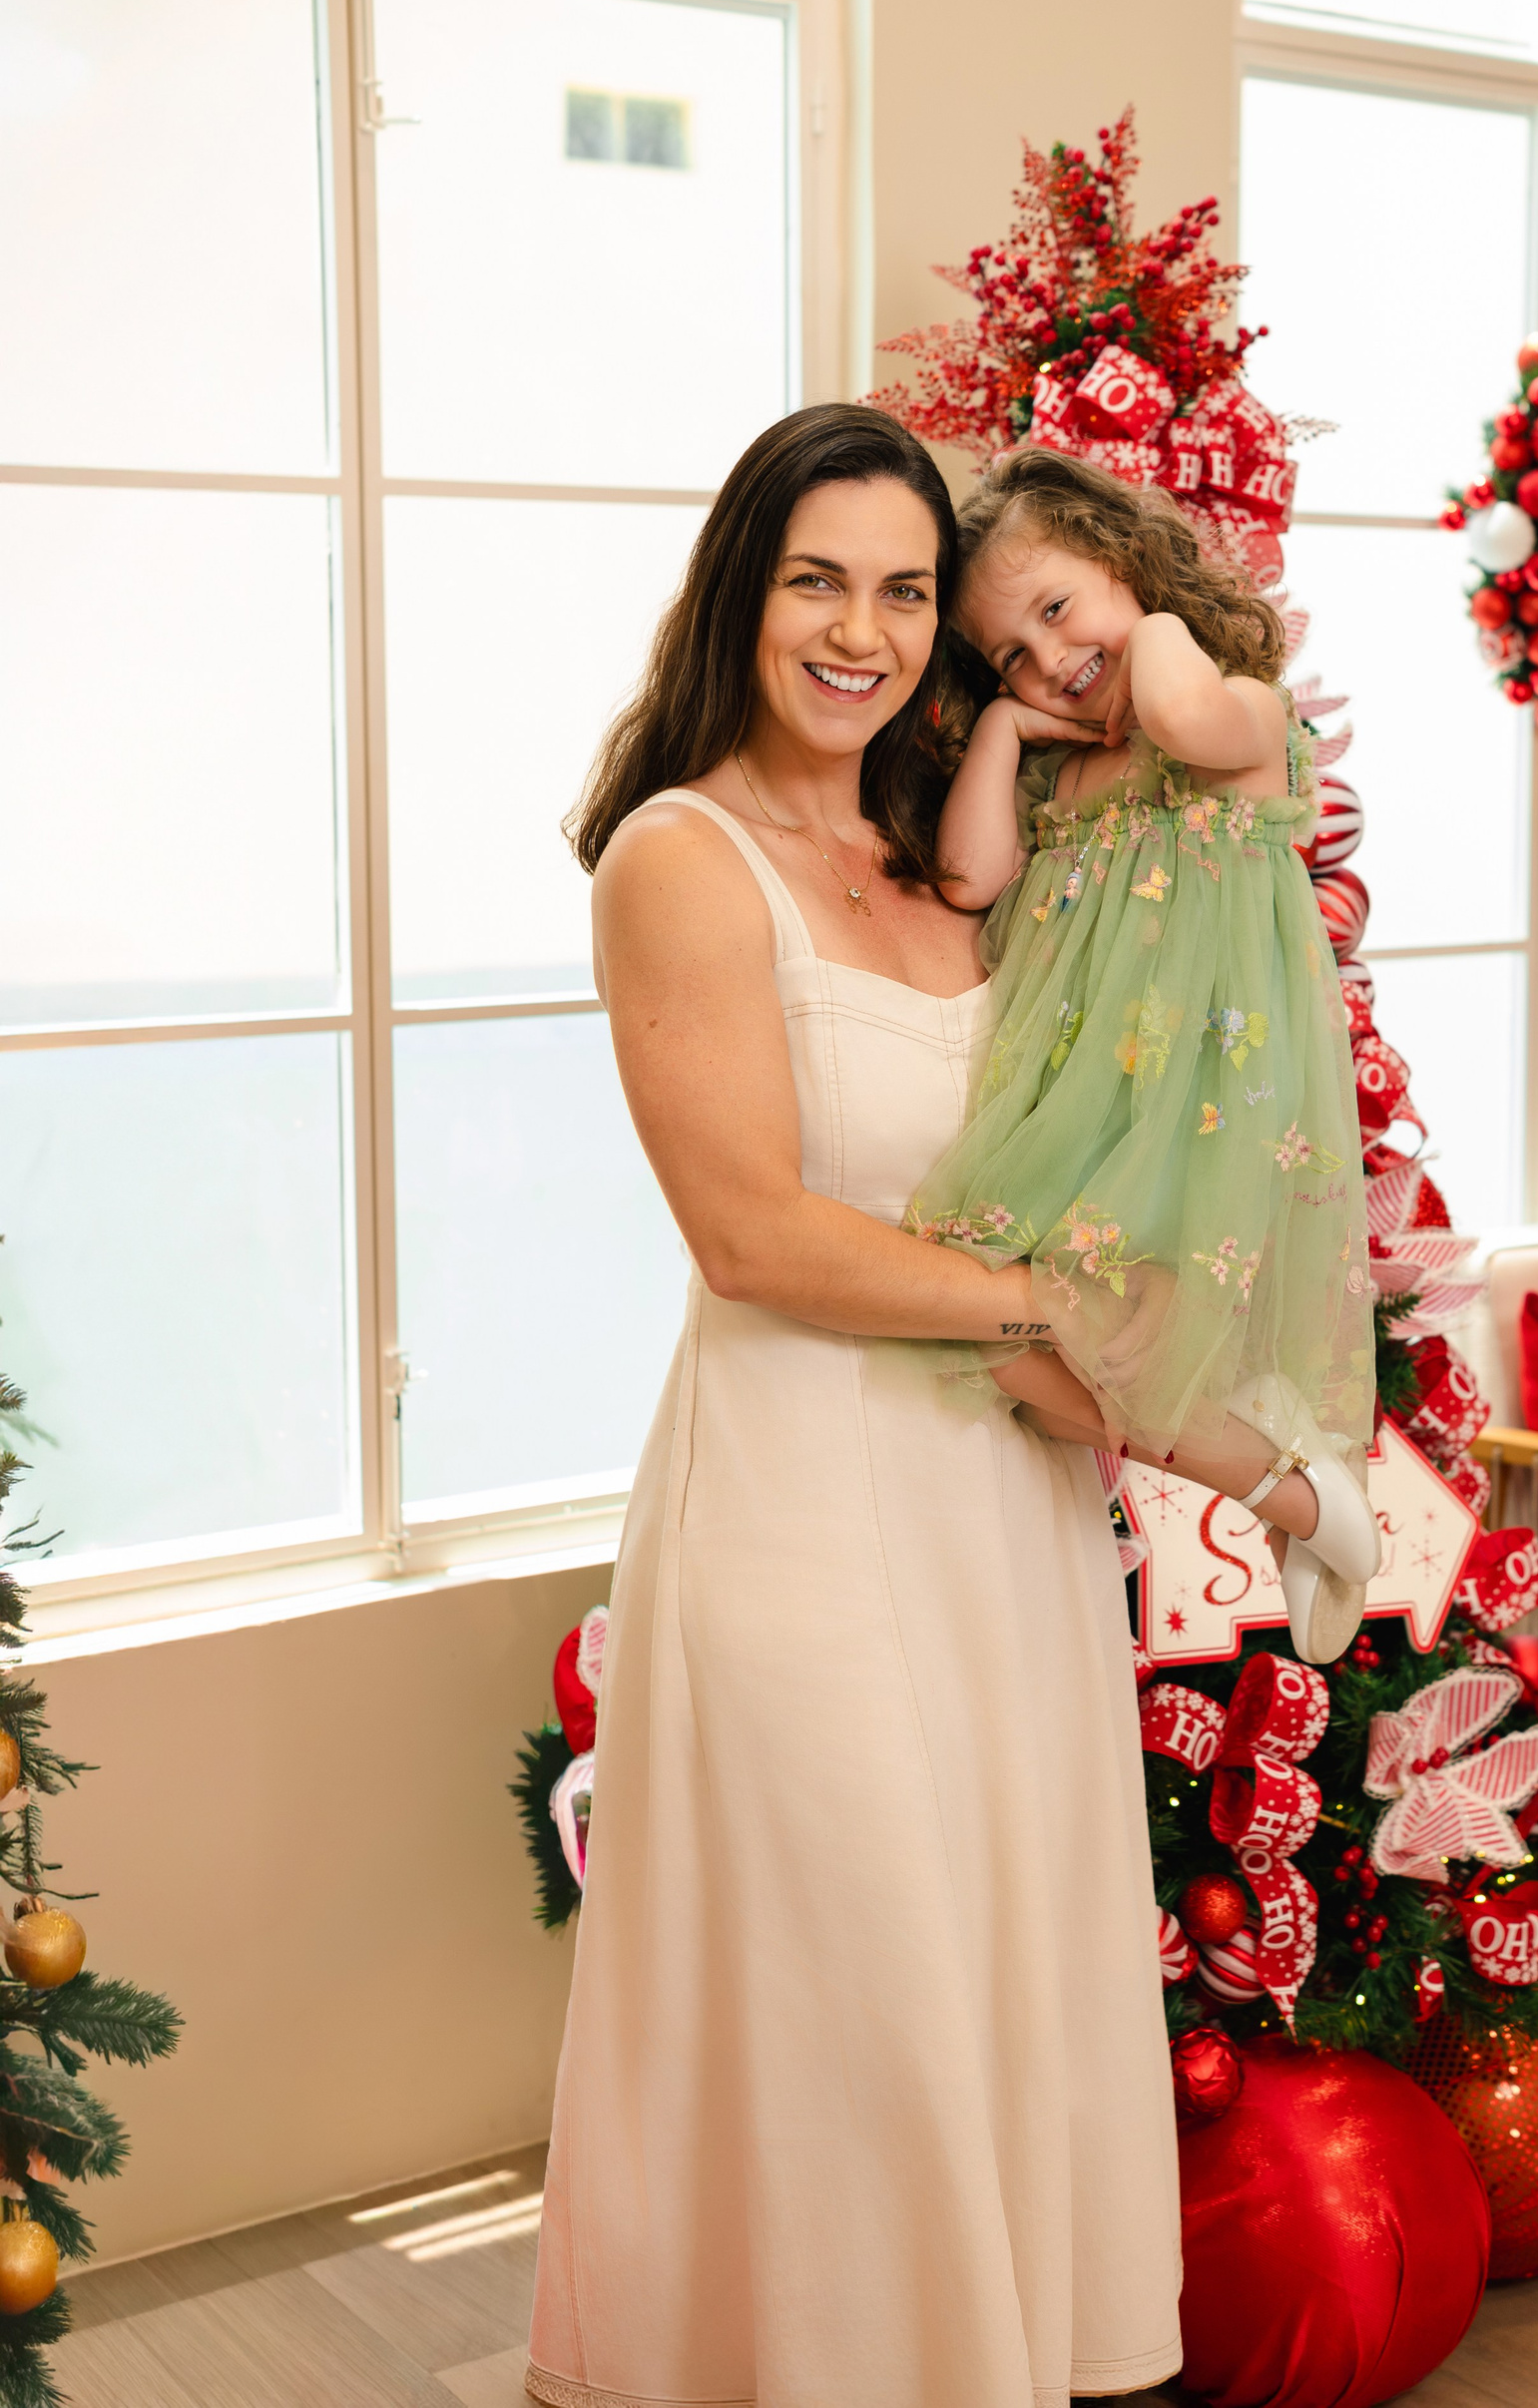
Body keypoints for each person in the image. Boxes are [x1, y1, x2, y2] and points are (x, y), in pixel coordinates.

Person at [525, 406, 1319, 2408]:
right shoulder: (681, 856)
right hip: (803, 1496)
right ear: (743, 592)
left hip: (1003, 1508)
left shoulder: (943, 844)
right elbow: (752, 1236)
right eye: (817, 580)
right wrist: (1052, 1311)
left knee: (991, 1974)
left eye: (899, 590)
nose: (860, 631)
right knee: (850, 2004)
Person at [902, 445, 1379, 1662]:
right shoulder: (1063, 774)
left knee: (1087, 1342)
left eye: (1060, 607)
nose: (1049, 658)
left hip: (1195, 1125)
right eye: (1008, 652)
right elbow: (967, 875)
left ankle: (1297, 1483)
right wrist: (1005, 725)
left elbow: (1179, 710)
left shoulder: (1240, 719)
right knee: (1003, 1348)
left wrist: (1159, 621)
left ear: (1127, 561)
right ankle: (1292, 1488)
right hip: (1078, 1121)